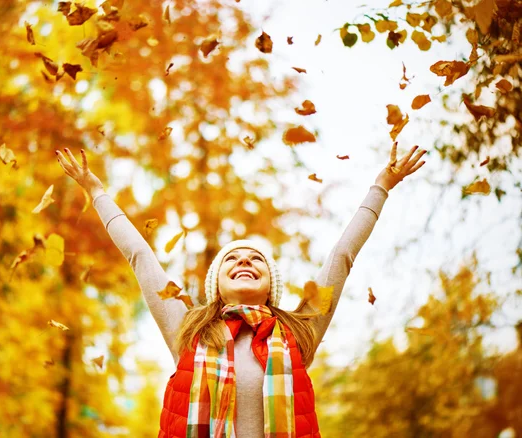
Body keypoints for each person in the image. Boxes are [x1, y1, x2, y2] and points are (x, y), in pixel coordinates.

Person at [55, 143, 427, 437]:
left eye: (256, 259)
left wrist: (382, 187)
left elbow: (342, 256)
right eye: (233, 259)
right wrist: (97, 191)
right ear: (216, 284)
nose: (245, 262)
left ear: (271, 287)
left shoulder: (298, 332)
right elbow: (140, 256)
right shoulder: (189, 331)